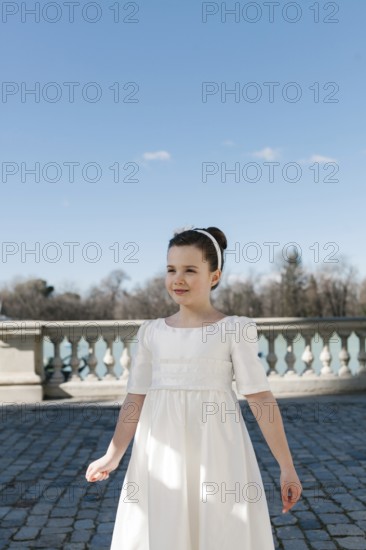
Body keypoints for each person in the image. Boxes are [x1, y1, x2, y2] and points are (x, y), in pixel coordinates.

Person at [85, 225, 302, 549]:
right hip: (159, 456)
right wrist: (112, 455)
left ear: (214, 275)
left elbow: (260, 398)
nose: (178, 279)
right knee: (163, 526)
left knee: (218, 528)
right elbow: (135, 399)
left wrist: (287, 466)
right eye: (171, 269)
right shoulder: (152, 333)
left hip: (218, 452)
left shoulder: (233, 330)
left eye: (190, 270)